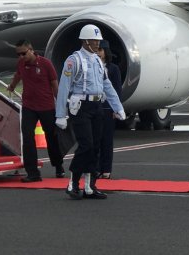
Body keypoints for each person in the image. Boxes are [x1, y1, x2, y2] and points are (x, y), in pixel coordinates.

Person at [55, 24, 126, 200]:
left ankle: (89, 186)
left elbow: (106, 85)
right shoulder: (74, 60)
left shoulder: (97, 61)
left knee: (95, 147)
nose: (97, 44)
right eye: (94, 41)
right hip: (80, 107)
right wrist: (60, 114)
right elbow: (64, 87)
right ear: (85, 41)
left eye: (98, 41)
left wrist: (118, 107)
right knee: (86, 145)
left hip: (97, 107)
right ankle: (73, 182)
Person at [7, 39, 65, 182]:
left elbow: (54, 85)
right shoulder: (21, 64)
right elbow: (18, 75)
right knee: (27, 138)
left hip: (47, 107)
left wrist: (61, 106)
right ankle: (33, 172)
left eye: (23, 53)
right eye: (18, 54)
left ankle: (58, 166)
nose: (21, 57)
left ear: (31, 50)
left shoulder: (46, 64)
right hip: (29, 106)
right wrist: (12, 86)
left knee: (51, 138)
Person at [96, 40, 122, 178]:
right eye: (96, 50)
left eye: (100, 50)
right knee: (95, 139)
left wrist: (115, 109)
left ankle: (106, 169)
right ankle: (95, 168)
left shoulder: (113, 69)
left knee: (106, 140)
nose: (98, 53)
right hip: (94, 107)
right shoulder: (91, 67)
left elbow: (117, 90)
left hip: (107, 108)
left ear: (106, 52)